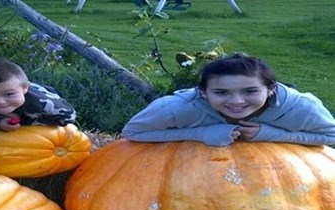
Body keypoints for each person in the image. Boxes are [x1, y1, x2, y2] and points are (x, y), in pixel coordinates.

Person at [121, 53, 335, 146]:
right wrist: (202, 133)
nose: (237, 101)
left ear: (270, 89)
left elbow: (332, 136)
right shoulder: (177, 108)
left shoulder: (302, 108)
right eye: (221, 93)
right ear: (203, 92)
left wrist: (271, 134)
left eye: (250, 91)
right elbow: (132, 132)